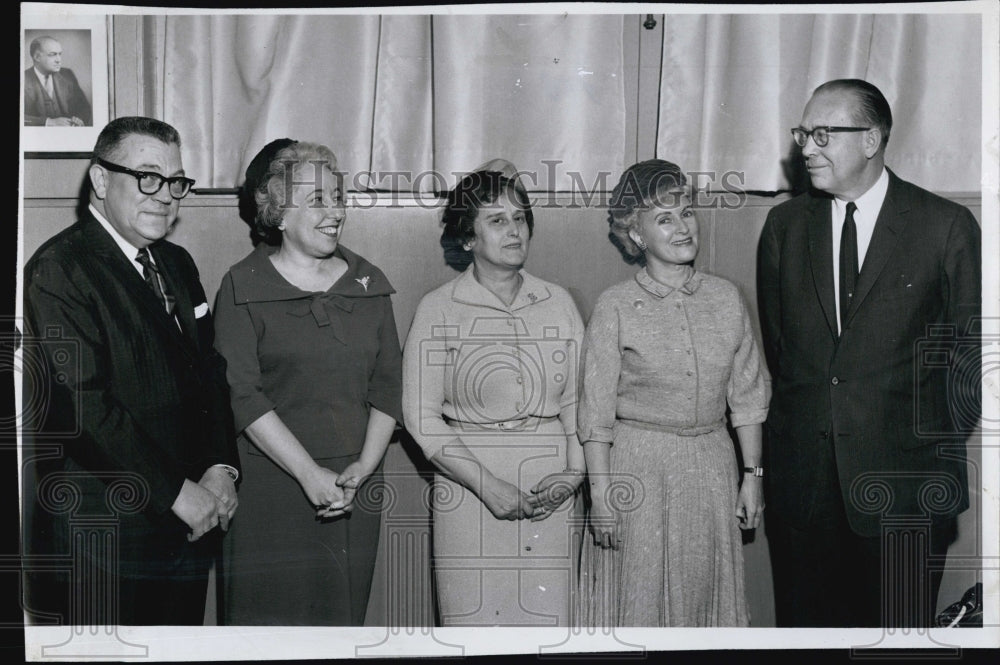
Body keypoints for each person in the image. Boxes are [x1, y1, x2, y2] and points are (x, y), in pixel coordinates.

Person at [757, 79, 981, 627]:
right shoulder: (784, 227)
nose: (806, 147)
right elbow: (782, 351)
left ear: (871, 139)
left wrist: (910, 447)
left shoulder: (945, 226)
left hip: (906, 494)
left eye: (822, 134)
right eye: (802, 133)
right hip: (805, 495)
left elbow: (967, 366)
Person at [22, 116, 239, 625]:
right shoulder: (58, 269)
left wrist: (220, 467)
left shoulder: (178, 264)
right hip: (101, 541)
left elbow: (210, 375)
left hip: (186, 534)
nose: (165, 195)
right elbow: (82, 405)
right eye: (147, 176)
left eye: (176, 181)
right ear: (100, 180)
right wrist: (177, 493)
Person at [213, 139, 402, 625]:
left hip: (353, 486)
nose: (335, 210)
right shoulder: (242, 285)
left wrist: (364, 465)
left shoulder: (370, 282)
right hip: (272, 486)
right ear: (277, 213)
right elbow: (242, 394)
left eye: (338, 197)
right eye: (317, 199)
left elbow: (387, 386)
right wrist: (307, 473)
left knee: (337, 625)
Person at [576, 159, 770, 627]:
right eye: (664, 218)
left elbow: (747, 398)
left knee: (703, 596)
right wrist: (600, 495)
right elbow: (596, 413)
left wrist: (753, 476)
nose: (683, 227)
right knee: (638, 597)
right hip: (638, 469)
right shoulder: (616, 306)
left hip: (710, 467)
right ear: (637, 235)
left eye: (686, 212)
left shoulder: (726, 298)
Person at [402, 161, 585, 626]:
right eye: (497, 220)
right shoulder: (438, 309)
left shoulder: (559, 302)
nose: (514, 230)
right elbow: (421, 418)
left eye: (520, 218)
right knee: (476, 626)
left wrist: (574, 474)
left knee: (549, 628)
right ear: (468, 237)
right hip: (469, 489)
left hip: (552, 491)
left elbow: (580, 402)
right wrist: (488, 486)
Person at [24, 36, 92, 127]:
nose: (58, 60)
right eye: (52, 54)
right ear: (37, 57)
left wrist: (79, 119)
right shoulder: (22, 78)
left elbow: (84, 107)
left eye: (60, 54)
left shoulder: (67, 75)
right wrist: (48, 122)